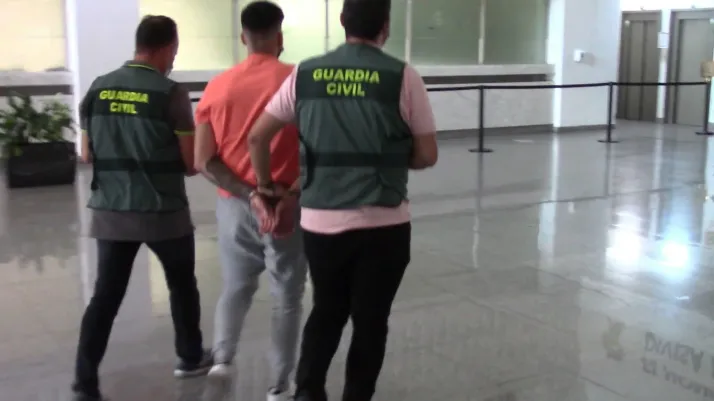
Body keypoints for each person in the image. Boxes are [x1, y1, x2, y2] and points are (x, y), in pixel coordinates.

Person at [246, 0, 439, 399]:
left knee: (327, 309)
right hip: (383, 224)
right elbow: (426, 155)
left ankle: (307, 391)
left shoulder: (305, 73)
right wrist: (384, 157)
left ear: (342, 22)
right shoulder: (402, 76)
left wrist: (266, 189)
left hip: (321, 223)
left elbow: (257, 137)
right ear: (385, 26)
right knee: (371, 320)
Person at [72, 15, 211, 401]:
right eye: (175, 51)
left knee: (105, 297)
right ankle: (190, 357)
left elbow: (86, 154)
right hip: (163, 212)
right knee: (182, 286)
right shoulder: (170, 93)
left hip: (112, 212)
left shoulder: (98, 88)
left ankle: (84, 381)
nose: (174, 59)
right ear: (168, 47)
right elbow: (190, 163)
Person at [193, 2, 306, 401]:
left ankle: (223, 359)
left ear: (243, 37)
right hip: (288, 205)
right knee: (286, 296)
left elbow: (203, 160)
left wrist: (251, 194)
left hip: (236, 206)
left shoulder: (218, 86)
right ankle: (279, 385)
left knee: (236, 286)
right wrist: (289, 193)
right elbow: (318, 150)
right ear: (280, 36)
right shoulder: (298, 80)